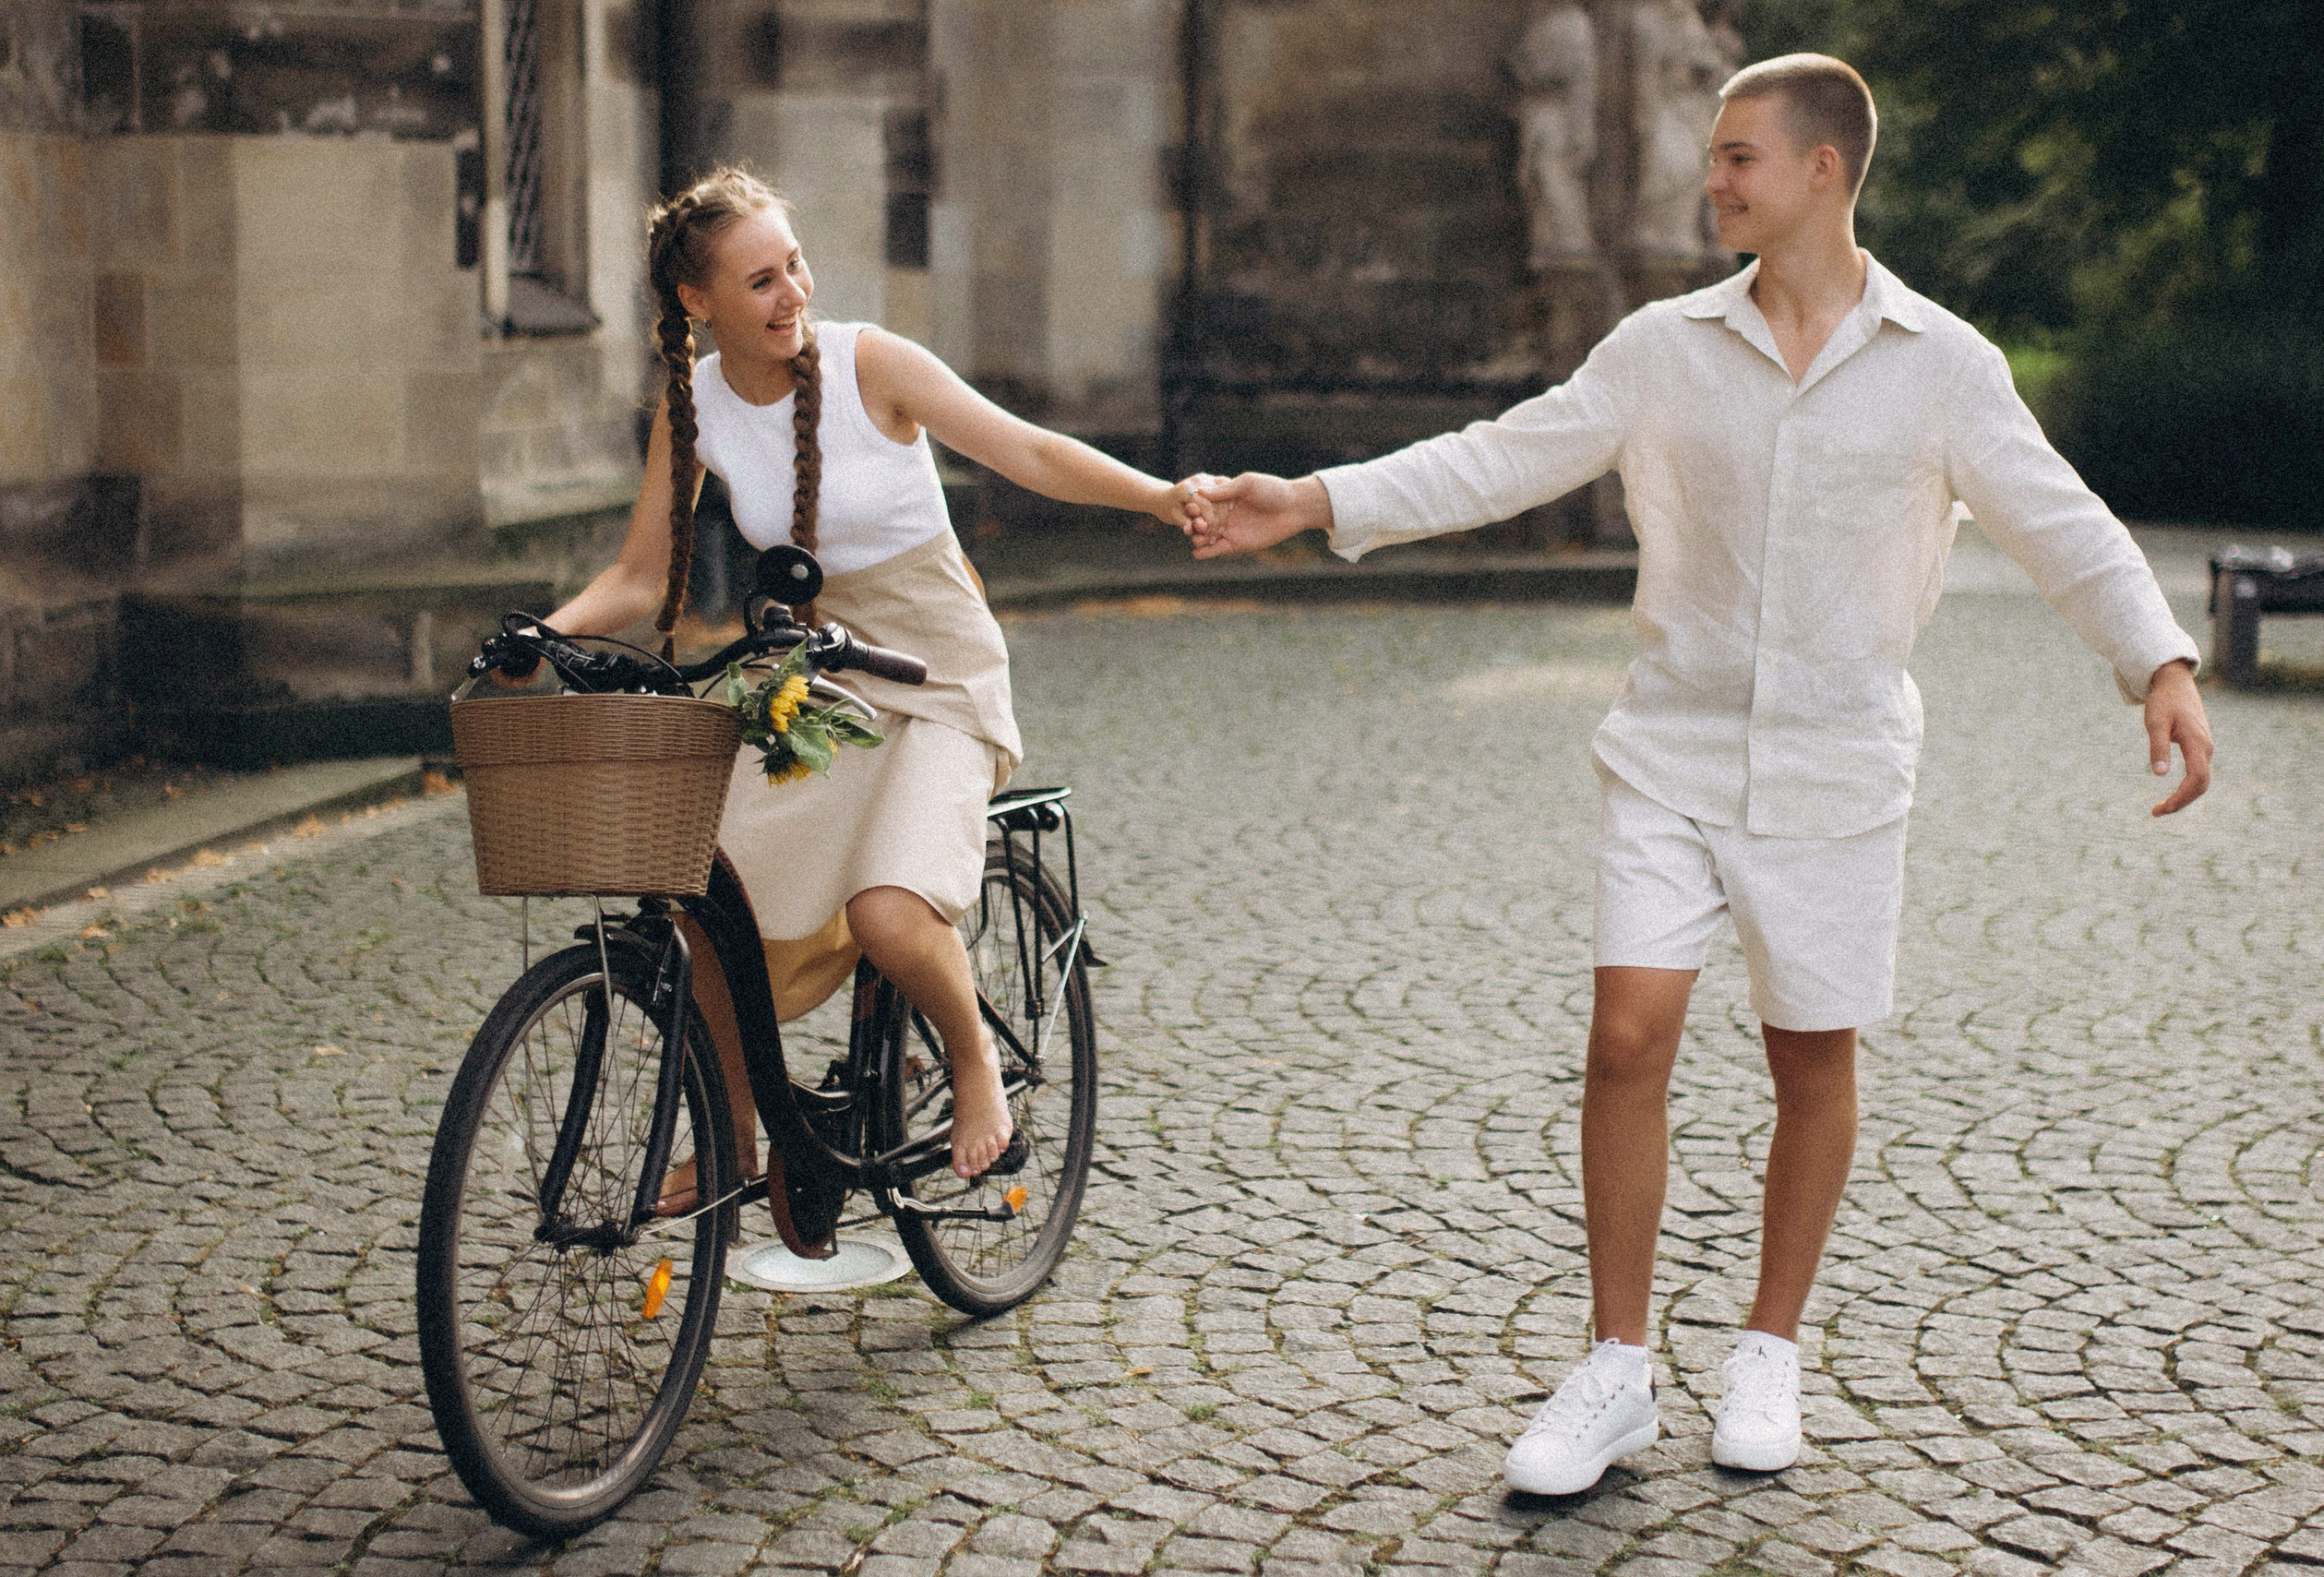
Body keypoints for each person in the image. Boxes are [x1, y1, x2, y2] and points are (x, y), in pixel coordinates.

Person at [1185, 54, 2211, 1493]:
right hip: (1667, 750)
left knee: (1812, 1056)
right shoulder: (1662, 348)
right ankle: (1614, 1370)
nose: (1711, 179)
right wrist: (1314, 500)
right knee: (1627, 1037)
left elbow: (2066, 523)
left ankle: (1769, 1349)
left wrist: (2157, 661)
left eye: (1739, 158)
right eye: (1714, 156)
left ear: (1824, 173)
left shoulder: (1943, 366)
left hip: (1842, 767)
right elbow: (1502, 456)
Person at [533, 166, 1206, 1198]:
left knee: (891, 911)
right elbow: (639, 573)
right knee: (698, 894)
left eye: (794, 265)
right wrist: (543, 633)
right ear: (696, 302)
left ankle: (974, 1060)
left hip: (939, 670)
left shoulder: (868, 364)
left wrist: (1163, 500)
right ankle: (738, 1131)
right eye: (760, 281)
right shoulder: (697, 402)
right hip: (820, 687)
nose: (792, 293)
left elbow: (1022, 447)